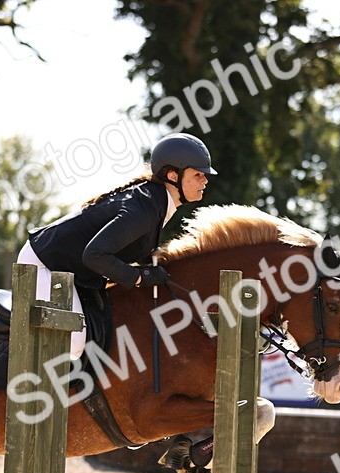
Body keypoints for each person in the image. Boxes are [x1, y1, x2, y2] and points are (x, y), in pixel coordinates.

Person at [17, 132, 216, 357]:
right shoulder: (144, 208)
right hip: (43, 263)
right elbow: (94, 255)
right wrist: (139, 277)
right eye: (198, 174)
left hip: (71, 268)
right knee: (75, 342)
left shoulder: (155, 202)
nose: (205, 181)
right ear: (172, 175)